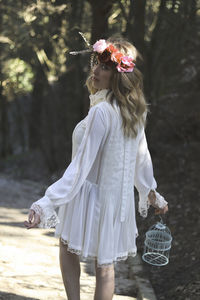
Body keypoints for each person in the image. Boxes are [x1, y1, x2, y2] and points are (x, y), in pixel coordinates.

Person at [24, 36, 168, 300]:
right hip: (118, 200)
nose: (95, 70)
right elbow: (140, 159)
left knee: (70, 250)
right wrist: (150, 192)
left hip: (90, 196)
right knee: (105, 267)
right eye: (96, 64)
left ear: (118, 75)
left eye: (104, 67)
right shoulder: (134, 112)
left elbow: (81, 167)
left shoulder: (102, 113)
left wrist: (46, 202)